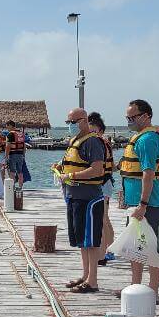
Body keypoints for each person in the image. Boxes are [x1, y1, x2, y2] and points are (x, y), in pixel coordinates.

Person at [118, 100, 159, 301]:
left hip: (148, 205)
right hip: (136, 203)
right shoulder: (139, 138)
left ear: (146, 116)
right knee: (134, 247)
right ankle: (136, 287)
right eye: (127, 118)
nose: (129, 121)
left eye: (133, 117)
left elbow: (148, 173)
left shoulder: (147, 139)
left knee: (150, 248)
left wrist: (143, 204)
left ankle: (153, 291)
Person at [57, 108, 107, 292]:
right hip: (74, 197)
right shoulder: (74, 141)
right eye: (68, 122)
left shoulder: (92, 141)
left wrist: (72, 175)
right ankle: (85, 274)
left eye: (73, 122)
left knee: (90, 240)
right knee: (81, 239)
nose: (70, 126)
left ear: (84, 121)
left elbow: (97, 170)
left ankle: (93, 280)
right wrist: (61, 170)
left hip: (89, 198)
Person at [88, 112, 116, 265]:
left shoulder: (100, 142)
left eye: (92, 130)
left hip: (103, 183)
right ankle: (109, 250)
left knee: (102, 219)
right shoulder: (103, 142)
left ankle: (103, 254)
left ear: (99, 130)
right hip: (106, 182)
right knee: (105, 218)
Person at [5, 120, 27, 189]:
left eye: (7, 127)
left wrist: (6, 156)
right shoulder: (21, 133)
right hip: (20, 154)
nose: (7, 128)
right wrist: (23, 155)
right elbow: (24, 146)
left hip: (13, 155)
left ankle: (13, 187)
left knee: (12, 172)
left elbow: (8, 146)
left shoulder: (10, 134)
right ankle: (20, 187)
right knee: (20, 172)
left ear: (10, 125)